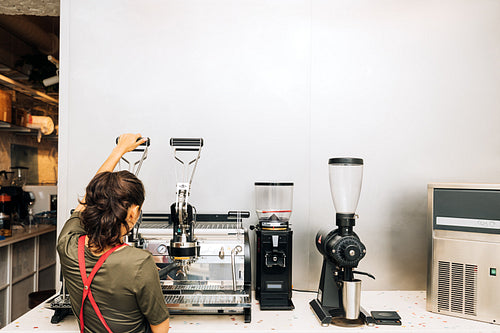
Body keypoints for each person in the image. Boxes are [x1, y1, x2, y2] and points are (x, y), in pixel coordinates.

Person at [57, 133, 170, 333]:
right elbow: (160, 327)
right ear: (134, 212)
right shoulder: (140, 262)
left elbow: (84, 203)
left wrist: (118, 151)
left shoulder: (67, 245)